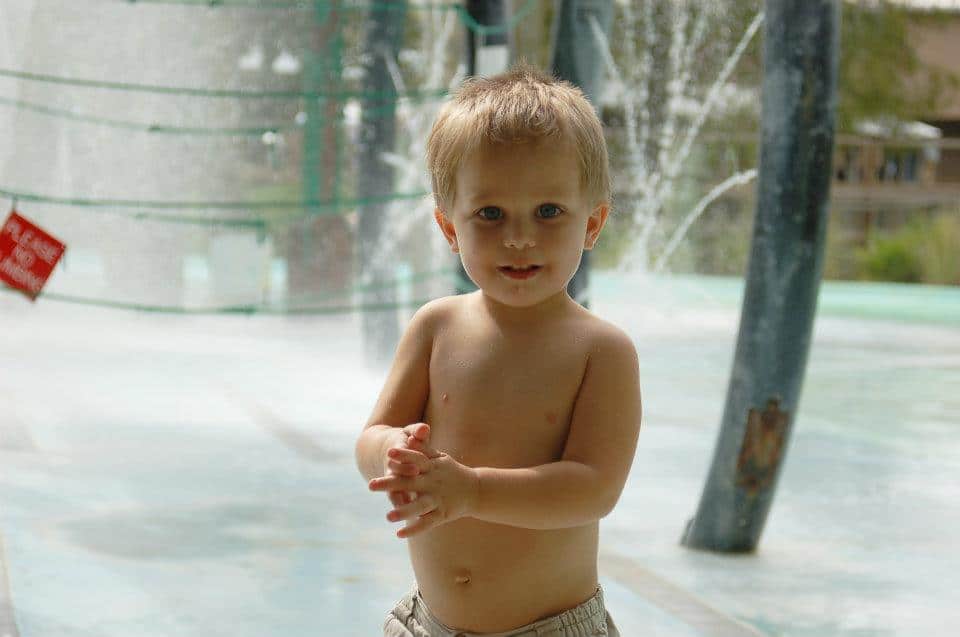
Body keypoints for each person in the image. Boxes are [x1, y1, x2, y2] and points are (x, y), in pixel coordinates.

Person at [355, 63, 641, 637]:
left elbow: (593, 488)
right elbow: (373, 434)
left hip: (549, 627)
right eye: (490, 214)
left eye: (548, 212)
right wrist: (392, 455)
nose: (518, 237)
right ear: (448, 226)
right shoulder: (435, 326)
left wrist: (474, 491)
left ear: (593, 222)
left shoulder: (599, 351)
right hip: (427, 622)